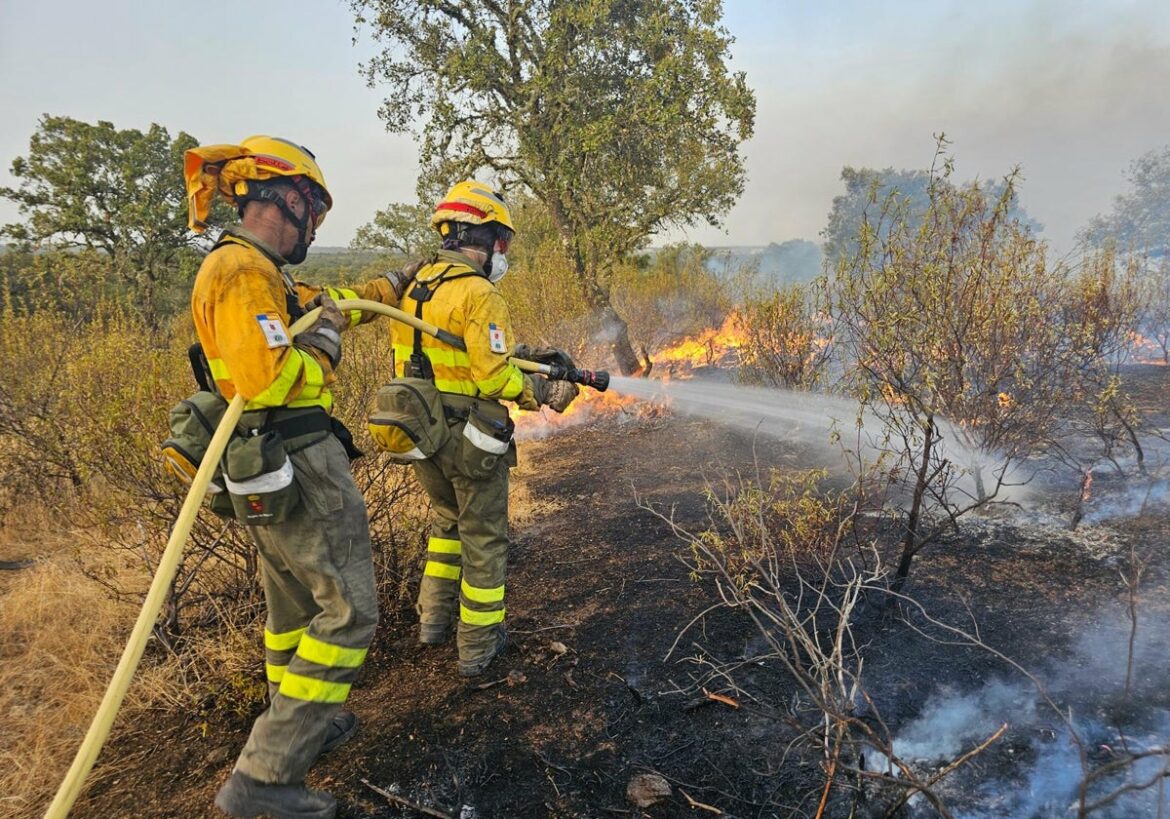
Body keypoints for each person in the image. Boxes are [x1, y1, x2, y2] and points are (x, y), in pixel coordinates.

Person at [183, 135, 413, 819]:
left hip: (266, 468)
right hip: (300, 459)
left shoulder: (263, 273)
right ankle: (265, 776)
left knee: (292, 609)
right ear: (287, 197)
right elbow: (270, 376)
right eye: (312, 207)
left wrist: (391, 288)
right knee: (348, 610)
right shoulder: (242, 273)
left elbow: (333, 298)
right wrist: (325, 353)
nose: (316, 223)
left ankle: (307, 719)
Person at [390, 180, 578, 677]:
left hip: (422, 430)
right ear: (486, 236)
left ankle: (432, 625)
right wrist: (539, 393)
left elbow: (446, 356)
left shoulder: (413, 288)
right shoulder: (479, 292)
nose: (504, 253)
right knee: (484, 538)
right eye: (504, 241)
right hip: (467, 438)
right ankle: (477, 648)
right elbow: (491, 375)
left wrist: (522, 361)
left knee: (446, 525)